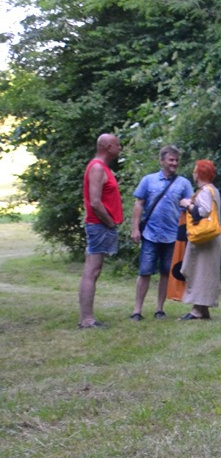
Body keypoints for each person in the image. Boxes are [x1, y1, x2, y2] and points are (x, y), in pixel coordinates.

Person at [129, 145, 192, 320]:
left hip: (172, 236)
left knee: (166, 273)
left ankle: (159, 309)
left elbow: (190, 206)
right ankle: (137, 311)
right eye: (171, 160)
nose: (174, 163)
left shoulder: (184, 183)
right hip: (150, 234)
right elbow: (139, 204)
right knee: (144, 272)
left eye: (176, 160)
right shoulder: (148, 180)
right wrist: (135, 228)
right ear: (162, 161)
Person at [79, 133, 124, 329]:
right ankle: (87, 319)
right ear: (108, 147)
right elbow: (95, 202)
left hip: (100, 225)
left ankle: (86, 318)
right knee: (92, 271)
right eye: (117, 145)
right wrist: (110, 223)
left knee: (93, 271)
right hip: (99, 225)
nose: (120, 148)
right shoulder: (97, 167)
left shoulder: (102, 167)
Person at [179, 160, 221, 321]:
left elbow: (203, 211)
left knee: (199, 271)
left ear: (199, 174)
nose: (193, 173)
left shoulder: (204, 191)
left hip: (204, 237)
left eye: (195, 171)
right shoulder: (213, 190)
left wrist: (187, 204)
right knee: (205, 272)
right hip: (211, 237)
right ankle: (203, 309)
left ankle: (197, 310)